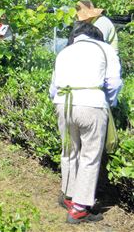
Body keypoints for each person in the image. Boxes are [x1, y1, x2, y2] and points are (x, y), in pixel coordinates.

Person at [49, 22, 122, 224]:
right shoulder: (104, 48)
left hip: (62, 103)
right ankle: (80, 209)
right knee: (90, 156)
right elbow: (114, 82)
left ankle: (69, 196)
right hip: (91, 104)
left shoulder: (64, 51)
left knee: (69, 150)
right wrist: (110, 101)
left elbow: (53, 87)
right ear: (97, 36)